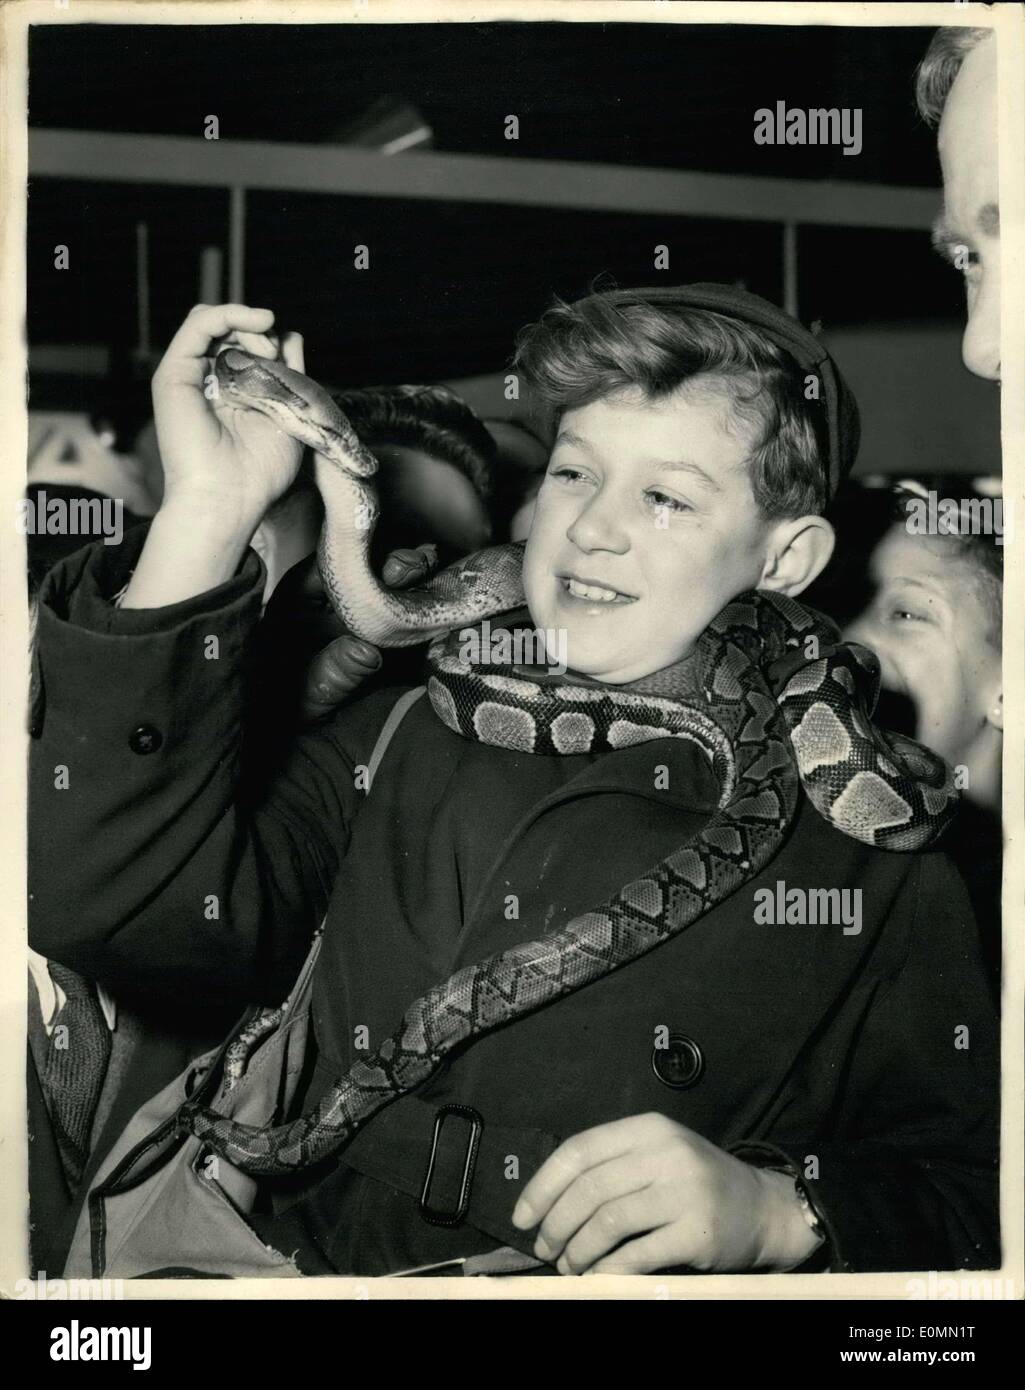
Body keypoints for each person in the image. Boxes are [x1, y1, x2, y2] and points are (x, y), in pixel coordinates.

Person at [30, 290, 997, 1277]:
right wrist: (206, 511)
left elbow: (973, 1202)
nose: (591, 530)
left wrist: (783, 1210)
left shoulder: (885, 873)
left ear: (784, 558)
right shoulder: (397, 731)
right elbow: (94, 900)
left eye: (662, 496)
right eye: (574, 471)